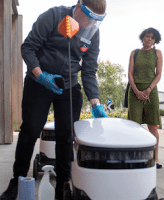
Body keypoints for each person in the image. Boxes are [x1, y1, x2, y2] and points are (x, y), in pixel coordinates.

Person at [0, 0, 107, 199]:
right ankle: (17, 180)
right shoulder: (53, 16)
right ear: (77, 6)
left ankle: (62, 186)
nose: (89, 23)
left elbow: (89, 70)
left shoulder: (93, 32)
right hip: (40, 80)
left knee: (66, 135)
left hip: (68, 85)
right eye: (87, 17)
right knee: (31, 128)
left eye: (95, 20)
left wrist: (95, 102)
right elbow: (28, 47)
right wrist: (40, 75)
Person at [127, 28, 163, 169]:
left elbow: (158, 74)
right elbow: (130, 73)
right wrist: (136, 91)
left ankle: (155, 158)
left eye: (152, 38)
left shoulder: (157, 53)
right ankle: (134, 157)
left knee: (152, 126)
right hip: (135, 92)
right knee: (134, 126)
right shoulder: (134, 53)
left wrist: (148, 90)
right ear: (143, 37)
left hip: (151, 91)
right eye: (147, 36)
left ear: (155, 41)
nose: (149, 39)